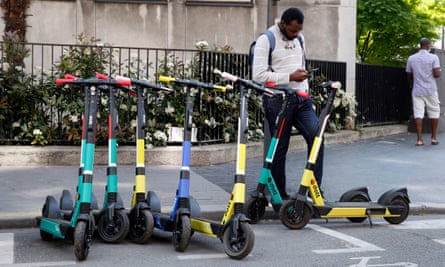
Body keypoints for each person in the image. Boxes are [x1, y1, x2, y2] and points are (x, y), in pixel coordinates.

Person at [252, 7, 324, 199]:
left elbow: (301, 64)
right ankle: (279, 196)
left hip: (301, 99)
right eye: (293, 30)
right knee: (279, 148)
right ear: (282, 24)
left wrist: (305, 84)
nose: (296, 34)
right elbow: (258, 75)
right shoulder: (266, 40)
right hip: (277, 101)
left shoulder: (300, 39)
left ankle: (313, 192)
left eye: (299, 30)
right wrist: (289, 76)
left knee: (316, 138)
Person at [406, 38, 442, 146]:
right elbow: (436, 74)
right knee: (434, 112)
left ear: (420, 45)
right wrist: (439, 71)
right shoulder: (433, 57)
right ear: (428, 45)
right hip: (430, 89)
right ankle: (434, 138)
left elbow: (409, 74)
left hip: (417, 90)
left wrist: (413, 83)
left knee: (418, 114)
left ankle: (419, 139)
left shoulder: (411, 58)